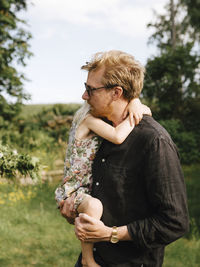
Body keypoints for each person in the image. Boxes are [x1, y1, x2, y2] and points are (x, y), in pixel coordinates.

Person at [59, 50, 189, 267]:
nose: (84, 96)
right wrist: (73, 210)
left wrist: (111, 234)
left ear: (116, 93)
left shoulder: (154, 142)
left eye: (90, 90)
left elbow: (175, 222)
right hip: (91, 260)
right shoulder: (102, 132)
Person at [55, 99, 151, 267]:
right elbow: (117, 136)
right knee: (94, 207)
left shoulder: (97, 120)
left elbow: (147, 111)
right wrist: (136, 112)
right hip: (75, 189)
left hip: (87, 186)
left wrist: (135, 102)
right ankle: (87, 259)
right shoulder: (88, 120)